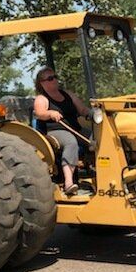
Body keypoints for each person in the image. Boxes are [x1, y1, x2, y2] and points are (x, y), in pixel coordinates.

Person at [33, 67, 91, 195]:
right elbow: (40, 113)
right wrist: (50, 113)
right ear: (41, 83)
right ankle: (69, 182)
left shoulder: (67, 94)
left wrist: (92, 113)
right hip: (55, 131)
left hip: (76, 128)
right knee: (71, 142)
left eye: (55, 77)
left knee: (97, 138)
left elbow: (82, 109)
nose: (54, 80)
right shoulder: (42, 99)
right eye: (50, 78)